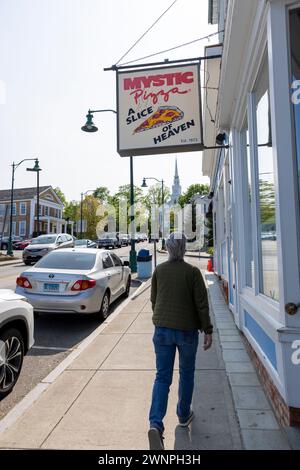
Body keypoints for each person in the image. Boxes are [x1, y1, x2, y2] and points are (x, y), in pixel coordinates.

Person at [148, 232, 213, 450]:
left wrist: (161, 318)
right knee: (186, 374)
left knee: (162, 377)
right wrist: (208, 330)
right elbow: (201, 304)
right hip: (186, 331)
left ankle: (156, 424)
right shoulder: (193, 273)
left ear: (167, 248)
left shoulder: (159, 271)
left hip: (162, 330)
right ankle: (184, 415)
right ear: (184, 248)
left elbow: (154, 300)